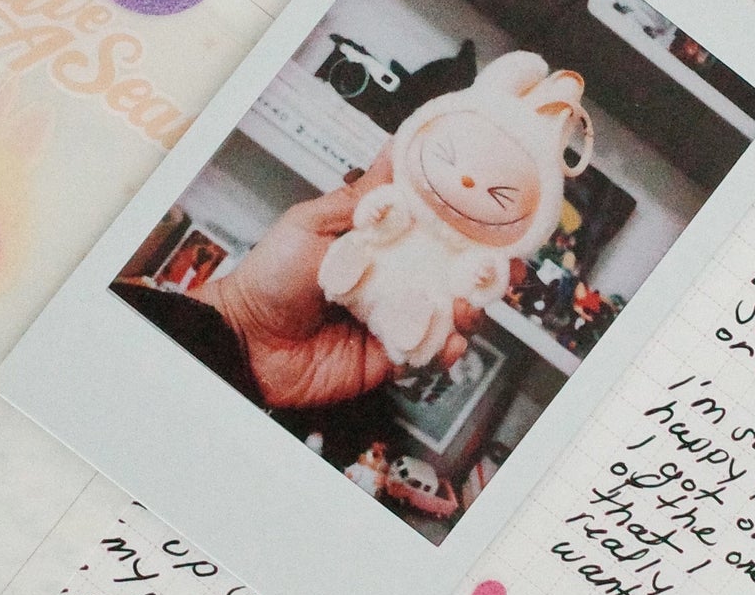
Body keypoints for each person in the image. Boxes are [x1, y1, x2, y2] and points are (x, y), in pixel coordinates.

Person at [113, 152, 481, 418]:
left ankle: (401, 320)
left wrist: (244, 320)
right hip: (357, 269)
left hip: (383, 288)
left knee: (425, 311)